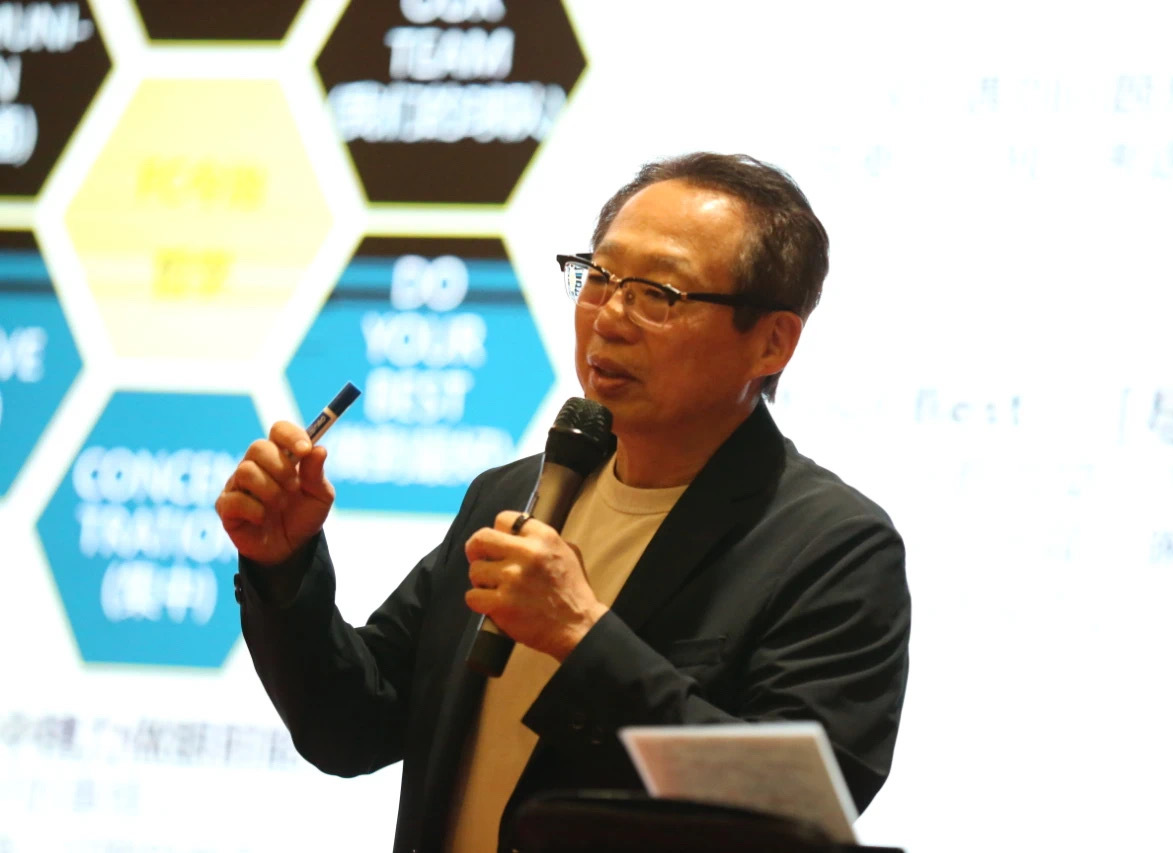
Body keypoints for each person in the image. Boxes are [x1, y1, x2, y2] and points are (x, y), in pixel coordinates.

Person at [215, 152, 910, 853]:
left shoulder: (833, 548)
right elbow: (351, 726)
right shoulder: (509, 494)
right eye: (598, 277)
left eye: (658, 293)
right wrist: (284, 564)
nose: (608, 318)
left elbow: (793, 811)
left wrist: (581, 635)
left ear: (772, 342)